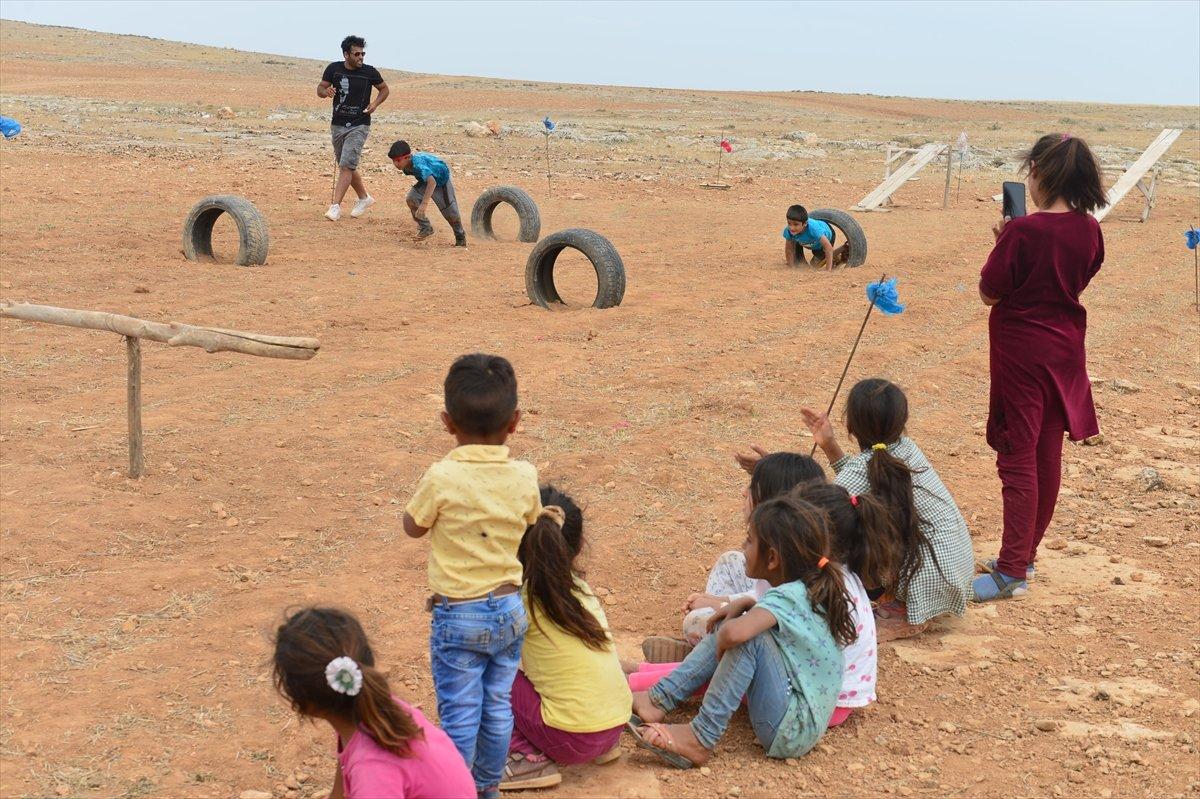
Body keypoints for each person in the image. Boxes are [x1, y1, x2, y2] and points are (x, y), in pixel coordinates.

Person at [973, 133, 1106, 602]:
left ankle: (1011, 571)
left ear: (1042, 173)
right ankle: (1024, 554)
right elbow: (1077, 278)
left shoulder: (1023, 231)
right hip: (1065, 350)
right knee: (1048, 453)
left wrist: (1004, 243)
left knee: (1017, 456)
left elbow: (991, 292)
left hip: (1021, 355)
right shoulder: (1090, 229)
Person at [403, 353, 542, 799]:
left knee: (461, 713)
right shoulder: (524, 475)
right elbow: (532, 523)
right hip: (508, 608)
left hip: (459, 614)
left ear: (447, 422)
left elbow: (413, 526)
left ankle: (454, 791)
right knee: (497, 706)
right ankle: (486, 788)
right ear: (515, 421)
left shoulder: (442, 475)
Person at [628, 496, 855, 766]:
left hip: (791, 729)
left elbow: (734, 636)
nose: (743, 547)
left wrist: (727, 636)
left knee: (745, 637)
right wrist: (744, 605)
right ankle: (657, 699)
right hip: (797, 718)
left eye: (749, 541)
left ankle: (701, 736)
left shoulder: (788, 596)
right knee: (740, 626)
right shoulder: (802, 588)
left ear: (772, 559)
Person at [797, 379, 975, 641]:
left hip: (932, 577)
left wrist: (773, 474)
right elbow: (862, 477)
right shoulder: (907, 448)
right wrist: (829, 445)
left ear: (851, 426)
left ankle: (908, 611)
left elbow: (826, 504)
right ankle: (905, 598)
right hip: (955, 564)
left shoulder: (868, 465)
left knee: (838, 528)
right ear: (902, 423)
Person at [500, 487, 630, 791]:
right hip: (614, 727)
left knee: (490, 672)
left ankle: (526, 759)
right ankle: (601, 746)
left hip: (571, 740)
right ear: (578, 545)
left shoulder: (520, 603)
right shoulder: (581, 590)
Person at [639, 452, 826, 664]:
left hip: (773, 652)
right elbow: (758, 595)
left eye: (753, 488)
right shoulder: (792, 551)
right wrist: (718, 600)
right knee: (730, 561)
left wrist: (716, 609)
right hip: (764, 615)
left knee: (697, 620)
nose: (743, 492)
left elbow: (763, 622)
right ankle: (702, 652)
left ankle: (700, 660)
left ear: (770, 504)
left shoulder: (785, 573)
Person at [272, 606, 476, 799]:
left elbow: (370, 773)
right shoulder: (369, 707)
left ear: (304, 703)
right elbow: (341, 786)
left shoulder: (372, 769)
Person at [318, 35, 388, 221]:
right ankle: (364, 198)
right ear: (346, 54)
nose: (361, 57)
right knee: (347, 164)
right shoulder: (334, 69)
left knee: (346, 165)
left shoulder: (369, 72)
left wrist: (375, 104)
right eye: (357, 54)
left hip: (359, 124)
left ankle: (335, 207)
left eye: (363, 53)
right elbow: (320, 89)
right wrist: (326, 92)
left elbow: (384, 89)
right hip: (338, 125)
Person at [389, 140, 467, 246]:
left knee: (450, 211)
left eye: (398, 160)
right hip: (426, 180)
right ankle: (426, 228)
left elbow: (432, 182)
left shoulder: (418, 165)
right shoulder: (407, 165)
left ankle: (460, 236)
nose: (395, 164)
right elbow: (427, 179)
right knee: (411, 198)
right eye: (393, 161)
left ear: (408, 157)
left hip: (440, 181)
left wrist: (424, 204)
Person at [783, 205, 849, 269]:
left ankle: (843, 249)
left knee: (815, 265)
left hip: (827, 236)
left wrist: (828, 270)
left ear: (805, 224)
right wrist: (791, 266)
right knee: (800, 263)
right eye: (789, 223)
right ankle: (836, 257)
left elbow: (828, 248)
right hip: (812, 242)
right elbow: (789, 249)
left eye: (796, 224)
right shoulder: (789, 231)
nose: (792, 228)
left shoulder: (814, 230)